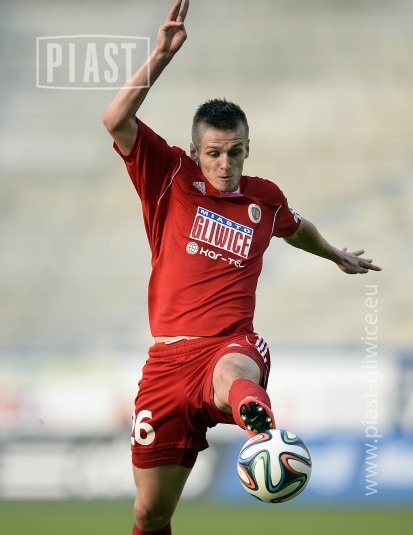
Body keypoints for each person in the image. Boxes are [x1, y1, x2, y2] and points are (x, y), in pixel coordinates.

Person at [103, 1, 381, 533]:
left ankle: (259, 426)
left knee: (234, 373)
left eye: (235, 152)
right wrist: (161, 56)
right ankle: (251, 420)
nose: (225, 164)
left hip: (230, 344)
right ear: (194, 151)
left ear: (248, 149)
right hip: (167, 364)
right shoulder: (168, 175)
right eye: (213, 153)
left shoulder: (263, 198)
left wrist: (336, 254)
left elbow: (296, 228)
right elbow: (115, 120)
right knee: (150, 512)